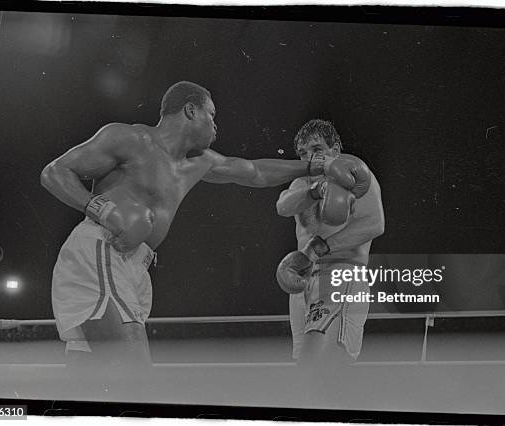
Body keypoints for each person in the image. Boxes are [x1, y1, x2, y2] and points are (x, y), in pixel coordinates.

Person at [40, 81, 330, 378]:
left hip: (134, 266)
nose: (216, 126)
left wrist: (311, 167)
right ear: (191, 110)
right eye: (211, 115)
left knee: (92, 377)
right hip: (103, 249)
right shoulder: (130, 138)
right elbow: (54, 172)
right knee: (133, 372)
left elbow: (254, 172)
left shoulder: (199, 162)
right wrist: (102, 210)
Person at [275, 119, 384, 403]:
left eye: (317, 149)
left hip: (340, 274)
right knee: (306, 370)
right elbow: (282, 206)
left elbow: (374, 223)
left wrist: (318, 248)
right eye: (301, 153)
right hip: (304, 284)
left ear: (335, 149)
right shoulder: (302, 184)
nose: (309, 158)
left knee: (322, 361)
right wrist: (315, 190)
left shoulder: (358, 178)